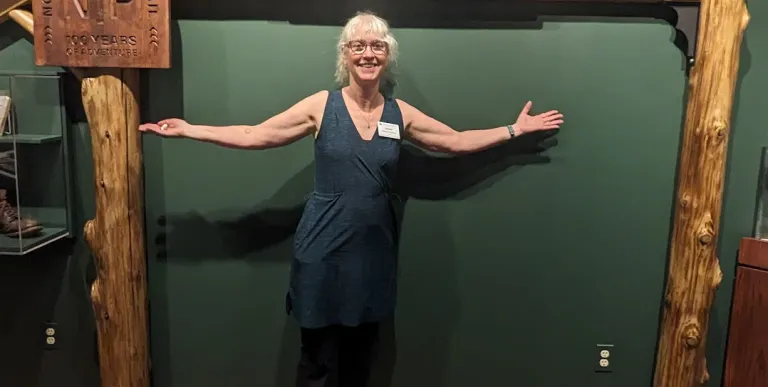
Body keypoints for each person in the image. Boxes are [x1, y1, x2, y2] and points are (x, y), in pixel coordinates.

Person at [139, 10, 564, 387]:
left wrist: (513, 131)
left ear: (387, 55)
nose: (367, 53)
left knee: (361, 364)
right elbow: (256, 134)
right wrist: (192, 129)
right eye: (358, 45)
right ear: (345, 54)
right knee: (317, 363)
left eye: (377, 45)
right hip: (321, 251)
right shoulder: (321, 106)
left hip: (373, 253)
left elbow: (453, 141)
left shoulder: (401, 113)